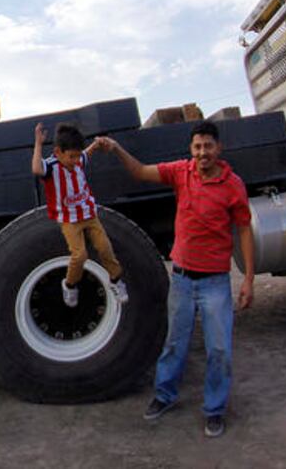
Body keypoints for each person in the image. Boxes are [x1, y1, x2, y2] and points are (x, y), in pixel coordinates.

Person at [103, 120, 253, 438]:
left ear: (218, 148)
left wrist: (249, 278)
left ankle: (214, 410)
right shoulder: (180, 172)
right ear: (191, 149)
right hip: (183, 279)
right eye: (197, 146)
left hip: (215, 283)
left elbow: (243, 229)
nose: (202, 152)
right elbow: (141, 172)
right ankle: (165, 396)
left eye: (208, 146)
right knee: (174, 343)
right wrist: (117, 149)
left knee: (219, 350)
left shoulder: (233, 185)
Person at [32, 122, 128, 307]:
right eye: (71, 157)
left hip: (89, 215)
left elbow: (86, 154)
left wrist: (96, 145)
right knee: (80, 255)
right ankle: (69, 285)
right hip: (70, 220)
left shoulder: (78, 161)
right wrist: (38, 143)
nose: (76, 161)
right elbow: (36, 169)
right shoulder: (52, 167)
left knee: (105, 247)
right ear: (58, 152)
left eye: (77, 156)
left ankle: (116, 280)